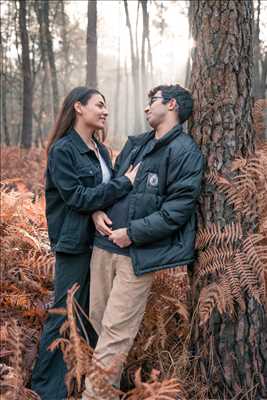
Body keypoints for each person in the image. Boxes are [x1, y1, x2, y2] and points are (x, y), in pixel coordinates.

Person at [82, 84, 204, 399]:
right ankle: (108, 388)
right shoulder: (137, 144)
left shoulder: (185, 152)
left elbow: (177, 210)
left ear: (172, 105)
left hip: (137, 256)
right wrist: (97, 212)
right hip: (103, 247)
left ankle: (93, 396)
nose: (147, 108)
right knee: (98, 324)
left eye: (153, 102)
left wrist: (132, 233)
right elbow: (114, 186)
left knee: (115, 333)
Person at [31, 86, 139, 400]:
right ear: (78, 107)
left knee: (92, 315)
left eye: (106, 107)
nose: (105, 111)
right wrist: (123, 183)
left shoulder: (101, 150)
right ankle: (47, 389)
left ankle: (80, 382)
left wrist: (97, 211)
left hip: (102, 245)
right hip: (74, 244)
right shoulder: (64, 150)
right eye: (99, 105)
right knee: (64, 312)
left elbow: (97, 200)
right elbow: (77, 197)